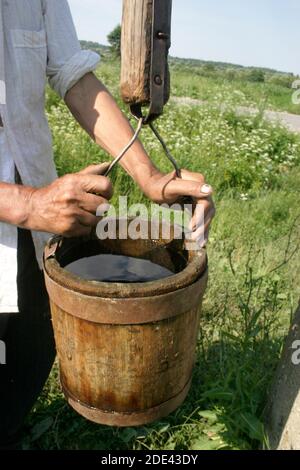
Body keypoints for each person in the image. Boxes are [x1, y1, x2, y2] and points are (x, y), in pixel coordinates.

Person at [0, 0, 215, 448]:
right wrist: (24, 203)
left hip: (35, 233)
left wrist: (150, 176)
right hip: (27, 210)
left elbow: (72, 75)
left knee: (26, 360)